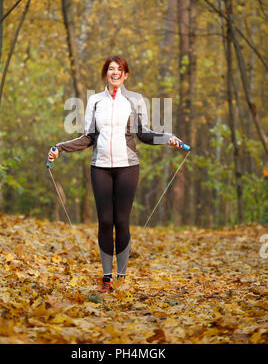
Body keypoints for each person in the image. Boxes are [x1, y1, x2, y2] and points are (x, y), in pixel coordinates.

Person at [48, 56, 183, 294]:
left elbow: (143, 133)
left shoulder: (135, 100)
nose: (115, 73)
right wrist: (60, 147)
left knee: (121, 221)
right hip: (100, 166)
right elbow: (88, 137)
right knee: (105, 221)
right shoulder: (95, 101)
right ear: (105, 74)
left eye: (119, 69)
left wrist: (167, 137)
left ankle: (121, 276)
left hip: (127, 167)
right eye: (111, 69)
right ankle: (106, 278)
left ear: (126, 74)